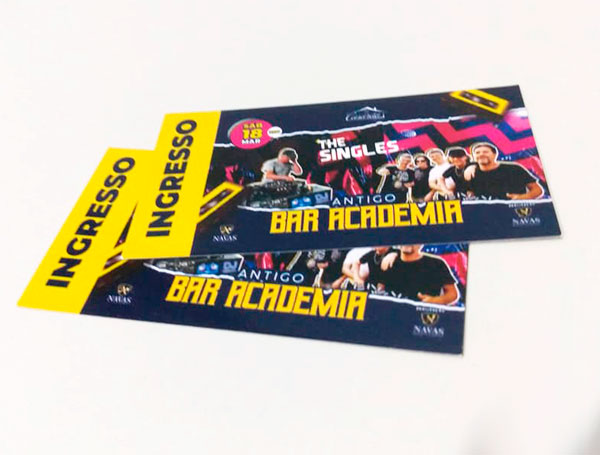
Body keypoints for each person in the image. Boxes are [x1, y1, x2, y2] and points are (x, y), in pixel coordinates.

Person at [379, 244, 459, 304]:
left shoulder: (436, 264)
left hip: (421, 317)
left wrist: (434, 301)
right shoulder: (389, 262)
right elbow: (380, 288)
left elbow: (453, 294)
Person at [465, 142, 543, 200]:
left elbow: (538, 190)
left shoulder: (514, 169)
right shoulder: (470, 173)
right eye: (477, 152)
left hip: (513, 211)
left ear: (495, 155)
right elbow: (469, 193)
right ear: (473, 157)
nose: (481, 154)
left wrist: (521, 197)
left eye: (485, 152)